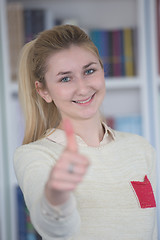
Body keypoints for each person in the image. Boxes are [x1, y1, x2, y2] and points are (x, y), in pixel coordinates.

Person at [14, 24, 157, 240]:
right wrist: (56, 196)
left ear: (102, 70)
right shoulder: (35, 155)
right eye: (65, 78)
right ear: (44, 91)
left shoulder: (140, 148)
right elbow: (52, 228)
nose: (82, 88)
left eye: (89, 71)